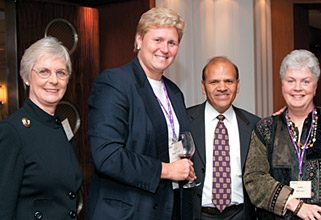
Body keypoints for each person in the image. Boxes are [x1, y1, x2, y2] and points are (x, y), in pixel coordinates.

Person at [85, 7, 194, 220]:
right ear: (138, 40)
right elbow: (107, 155)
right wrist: (167, 170)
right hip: (127, 212)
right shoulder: (115, 83)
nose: (165, 49)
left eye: (172, 43)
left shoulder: (174, 92)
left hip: (167, 208)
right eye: (157, 40)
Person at [244, 49, 321, 220]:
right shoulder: (266, 128)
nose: (297, 88)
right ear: (282, 85)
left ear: (315, 86)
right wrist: (295, 204)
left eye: (306, 81)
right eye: (291, 81)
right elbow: (254, 178)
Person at [0, 37, 82, 219]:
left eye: (61, 73)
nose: (54, 80)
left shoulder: (62, 127)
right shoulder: (12, 131)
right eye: (44, 71)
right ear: (27, 77)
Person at [185, 56, 260, 220]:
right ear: (203, 86)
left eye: (228, 81)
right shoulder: (184, 121)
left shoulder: (255, 125)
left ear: (237, 85)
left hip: (241, 214)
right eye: (214, 82)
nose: (222, 87)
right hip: (198, 215)